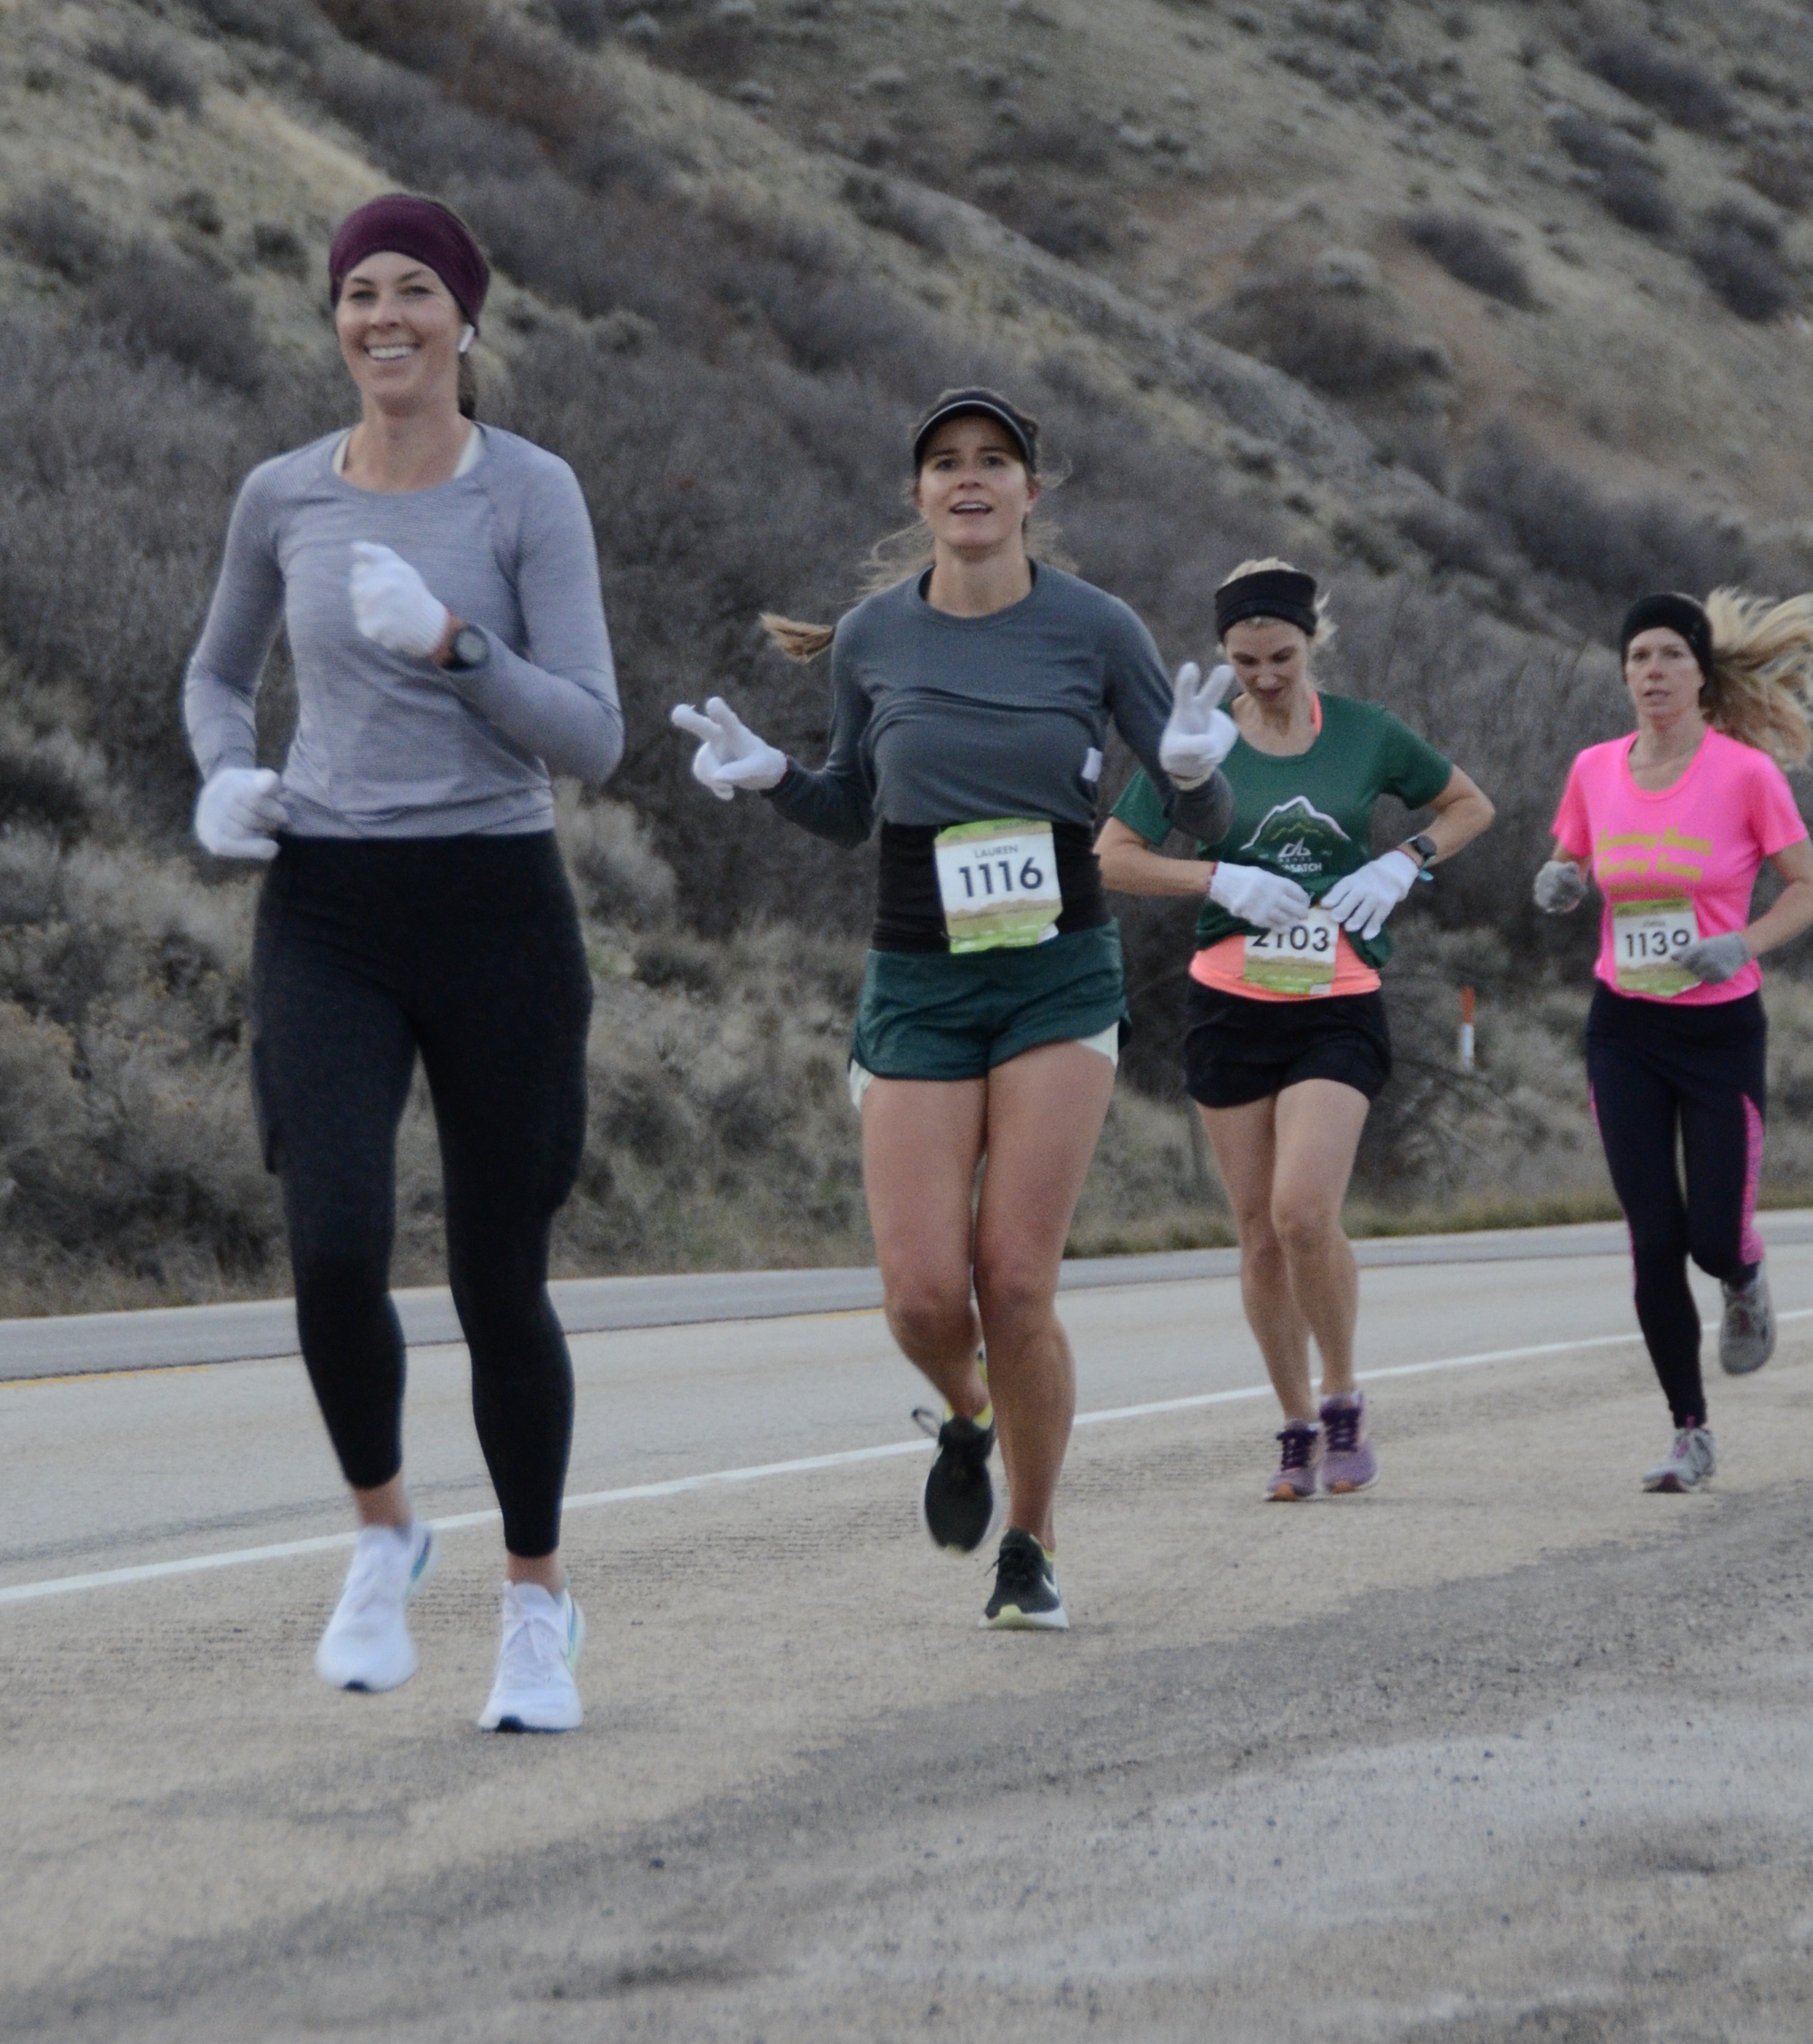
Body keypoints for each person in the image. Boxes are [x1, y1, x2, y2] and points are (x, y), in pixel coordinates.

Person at [670, 390, 1237, 1632]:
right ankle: (971, 1415)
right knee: (925, 1298)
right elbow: (847, 806)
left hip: (1055, 975)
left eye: (993, 461)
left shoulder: (1097, 627)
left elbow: (1203, 812)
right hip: (920, 977)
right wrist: (772, 777)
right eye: (945, 464)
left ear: (1032, 490)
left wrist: (1196, 776)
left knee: (1015, 1281)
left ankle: (1030, 1544)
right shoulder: (876, 635)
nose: (969, 478)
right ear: (918, 495)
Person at [184, 192, 622, 1731]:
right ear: (336, 321)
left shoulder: (529, 494)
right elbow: (217, 673)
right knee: (331, 1245)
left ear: (464, 318)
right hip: (329, 908)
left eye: (414, 290)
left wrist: (454, 644)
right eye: (360, 291)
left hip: (497, 906)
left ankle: (535, 1605)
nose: (385, 315)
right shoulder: (282, 496)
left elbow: (593, 735)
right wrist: (222, 775)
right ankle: (383, 1532)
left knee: (501, 1282)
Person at [1099, 559, 1493, 1501]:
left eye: (1281, 656)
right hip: (1228, 1005)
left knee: (1304, 1212)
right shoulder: (1197, 742)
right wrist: (1216, 878)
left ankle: (1342, 1393)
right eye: (1246, 661)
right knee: (1259, 1235)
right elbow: (1111, 856)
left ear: (1311, 641)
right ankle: (1293, 1423)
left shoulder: (1365, 733)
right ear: (1222, 656)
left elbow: (1470, 805)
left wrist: (1406, 860)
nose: (1266, 676)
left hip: (1337, 1000)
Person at [1537, 586, 1813, 1493]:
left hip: (1719, 1031)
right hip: (1625, 1027)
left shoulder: (1745, 774)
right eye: (1638, 657)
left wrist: (1746, 942)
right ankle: (1689, 1431)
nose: (1652, 672)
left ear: (1701, 673)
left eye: (1670, 655)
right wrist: (1559, 880)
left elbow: (1805, 885)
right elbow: (1572, 858)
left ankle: (1743, 1274)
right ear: (1624, 675)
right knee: (1653, 1236)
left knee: (1711, 1236)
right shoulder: (1594, 769)